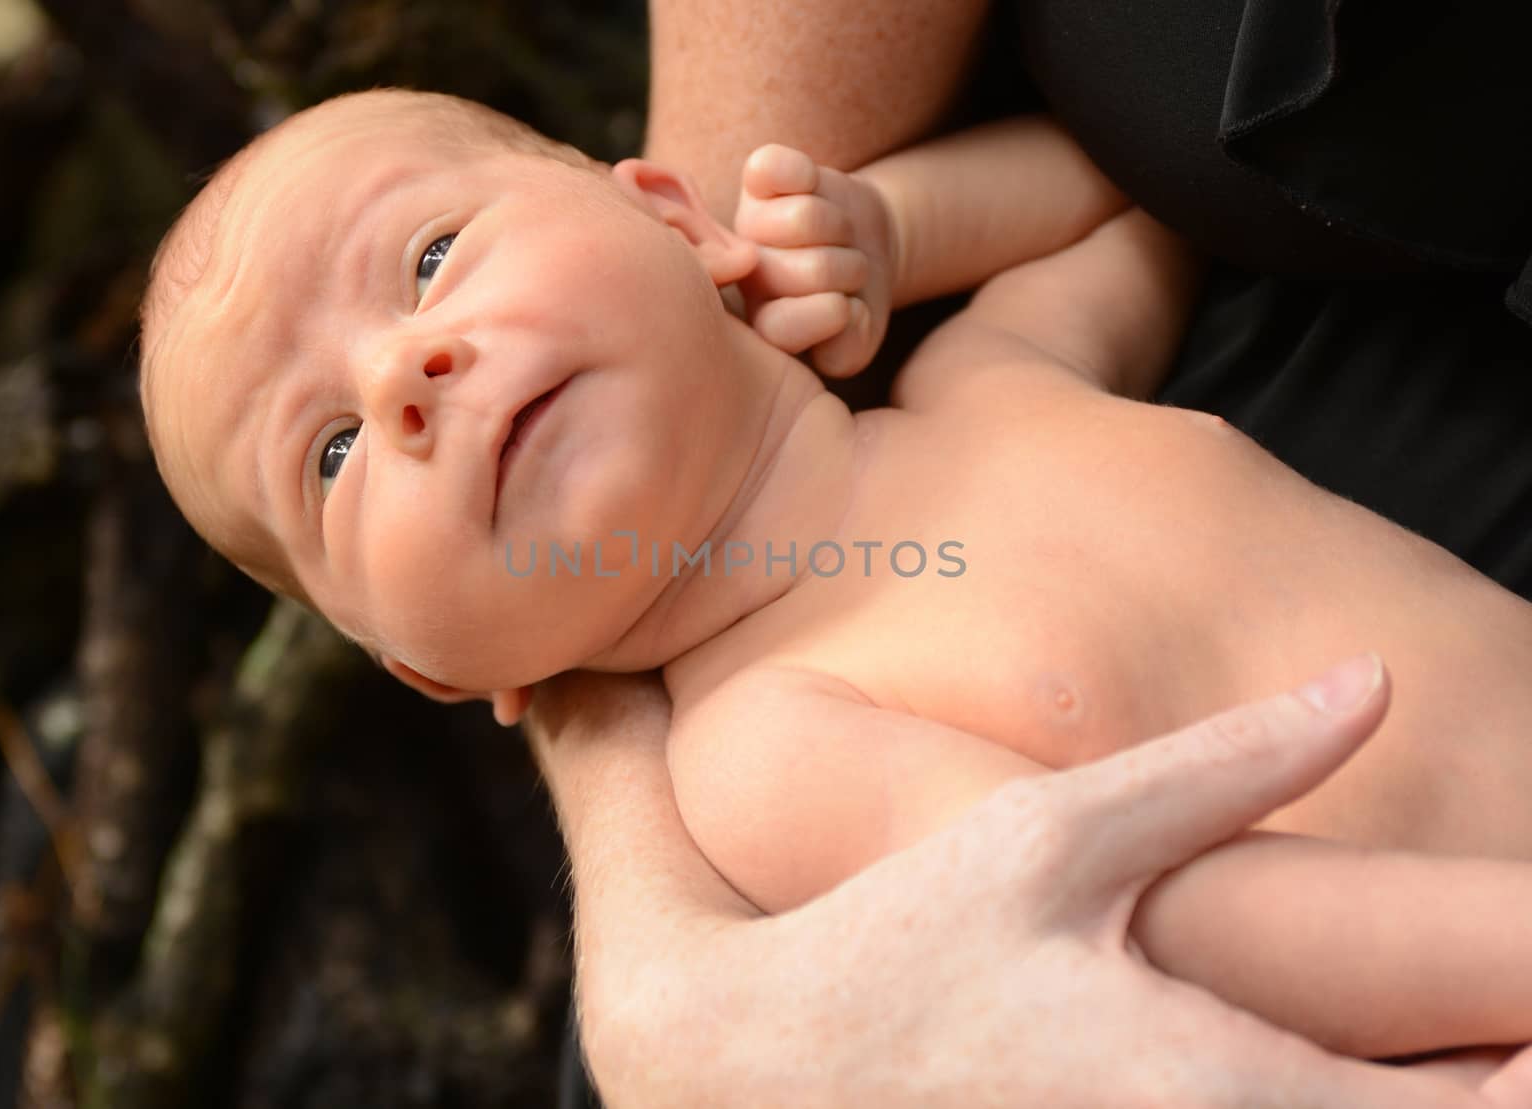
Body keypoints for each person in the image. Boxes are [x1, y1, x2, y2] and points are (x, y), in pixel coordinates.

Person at [135, 84, 1532, 1087]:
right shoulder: (769, 744)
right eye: (327, 457)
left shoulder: (998, 374)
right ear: (436, 670)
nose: (400, 379)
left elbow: (1147, 181)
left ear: (675, 217)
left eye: (431, 258)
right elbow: (1162, 919)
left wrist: (891, 230)